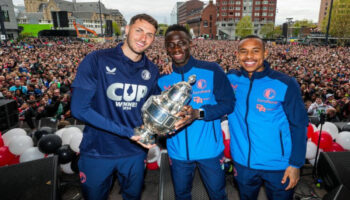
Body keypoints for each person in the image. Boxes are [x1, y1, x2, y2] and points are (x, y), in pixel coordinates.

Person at [70, 14, 160, 200]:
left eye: (150, 35)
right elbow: (79, 109)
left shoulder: (151, 70)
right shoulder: (97, 60)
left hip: (135, 151)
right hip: (98, 150)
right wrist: (127, 132)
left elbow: (152, 108)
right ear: (127, 30)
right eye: (139, 30)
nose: (143, 38)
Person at [157, 24, 235, 200]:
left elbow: (228, 104)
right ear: (166, 49)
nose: (177, 48)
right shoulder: (162, 79)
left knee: (218, 195)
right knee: (182, 195)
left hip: (211, 151)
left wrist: (198, 113)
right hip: (177, 154)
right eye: (171, 44)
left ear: (190, 44)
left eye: (182, 43)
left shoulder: (211, 70)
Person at [227, 35, 309, 200]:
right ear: (237, 55)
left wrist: (295, 164)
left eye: (255, 51)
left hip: (279, 165)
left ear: (265, 54)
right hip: (243, 163)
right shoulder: (230, 79)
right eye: (244, 52)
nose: (249, 57)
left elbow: (299, 125)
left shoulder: (285, 83)